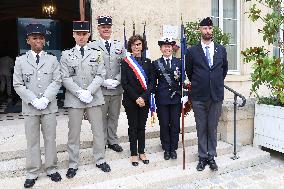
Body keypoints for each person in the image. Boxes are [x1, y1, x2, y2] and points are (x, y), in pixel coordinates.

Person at [13, 23, 62, 188]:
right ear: (28, 40)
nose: (38, 40)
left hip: (49, 108)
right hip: (30, 108)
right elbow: (18, 84)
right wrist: (33, 100)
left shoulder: (52, 59)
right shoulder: (20, 61)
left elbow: (57, 81)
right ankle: (33, 172)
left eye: (41, 37)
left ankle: (51, 168)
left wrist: (46, 99)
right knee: (32, 141)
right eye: (35, 38)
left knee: (50, 139)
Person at [60, 21, 110, 178]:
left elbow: (101, 74)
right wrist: (79, 92)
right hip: (75, 100)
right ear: (73, 35)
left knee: (98, 131)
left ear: (89, 35)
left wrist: (89, 91)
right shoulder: (66, 54)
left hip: (93, 98)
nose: (81, 37)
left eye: (84, 34)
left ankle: (100, 159)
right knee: (73, 133)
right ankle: (73, 163)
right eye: (78, 34)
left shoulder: (97, 53)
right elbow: (64, 77)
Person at [185, 17, 228, 172]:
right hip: (198, 96)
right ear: (200, 30)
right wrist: (202, 82)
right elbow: (189, 71)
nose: (207, 31)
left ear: (212, 30)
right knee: (201, 127)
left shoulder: (221, 49)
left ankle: (211, 156)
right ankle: (202, 157)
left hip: (216, 96)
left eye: (210, 28)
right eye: (204, 28)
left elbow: (224, 70)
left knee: (212, 127)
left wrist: (214, 82)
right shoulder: (191, 51)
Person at [89, 15, 126, 152]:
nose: (106, 29)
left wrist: (118, 80)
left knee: (114, 116)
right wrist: (103, 81)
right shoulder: (92, 46)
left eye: (108, 27)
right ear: (98, 28)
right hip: (100, 89)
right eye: (103, 27)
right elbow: (90, 67)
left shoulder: (119, 45)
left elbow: (125, 65)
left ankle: (112, 140)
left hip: (116, 89)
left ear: (111, 29)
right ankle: (102, 141)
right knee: (100, 118)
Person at [121, 34, 155, 166]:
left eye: (139, 44)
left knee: (142, 126)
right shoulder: (125, 62)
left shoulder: (148, 62)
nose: (137, 46)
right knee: (133, 127)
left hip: (144, 100)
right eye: (134, 44)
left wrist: (144, 97)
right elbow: (125, 83)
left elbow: (152, 82)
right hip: (131, 100)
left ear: (143, 46)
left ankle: (142, 151)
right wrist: (136, 98)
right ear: (130, 46)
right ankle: (134, 153)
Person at [153, 37, 182, 160]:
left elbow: (183, 80)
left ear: (172, 48)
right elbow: (153, 82)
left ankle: (173, 148)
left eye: (169, 46)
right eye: (164, 46)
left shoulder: (179, 62)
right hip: (162, 99)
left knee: (175, 124)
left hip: (176, 98)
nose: (167, 48)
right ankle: (166, 148)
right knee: (164, 124)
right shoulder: (156, 63)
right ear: (161, 49)